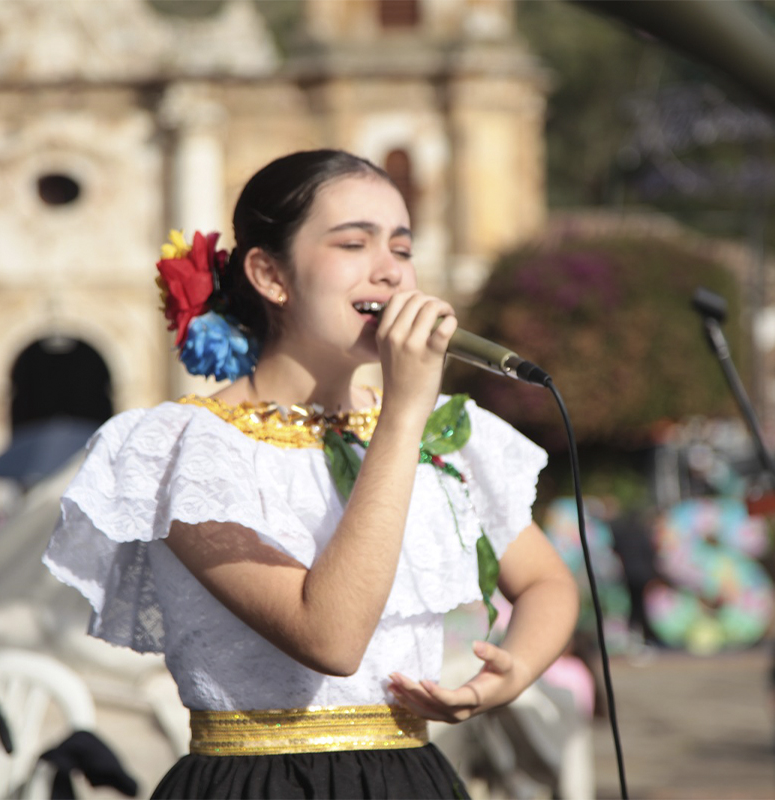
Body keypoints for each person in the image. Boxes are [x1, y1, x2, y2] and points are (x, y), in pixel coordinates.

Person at [43, 149, 579, 799]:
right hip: (258, 782)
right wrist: (403, 412)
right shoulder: (179, 448)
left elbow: (547, 582)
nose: (389, 272)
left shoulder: (443, 431)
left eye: (403, 250)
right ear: (270, 274)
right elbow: (329, 638)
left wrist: (510, 672)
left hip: (414, 778)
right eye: (354, 243)